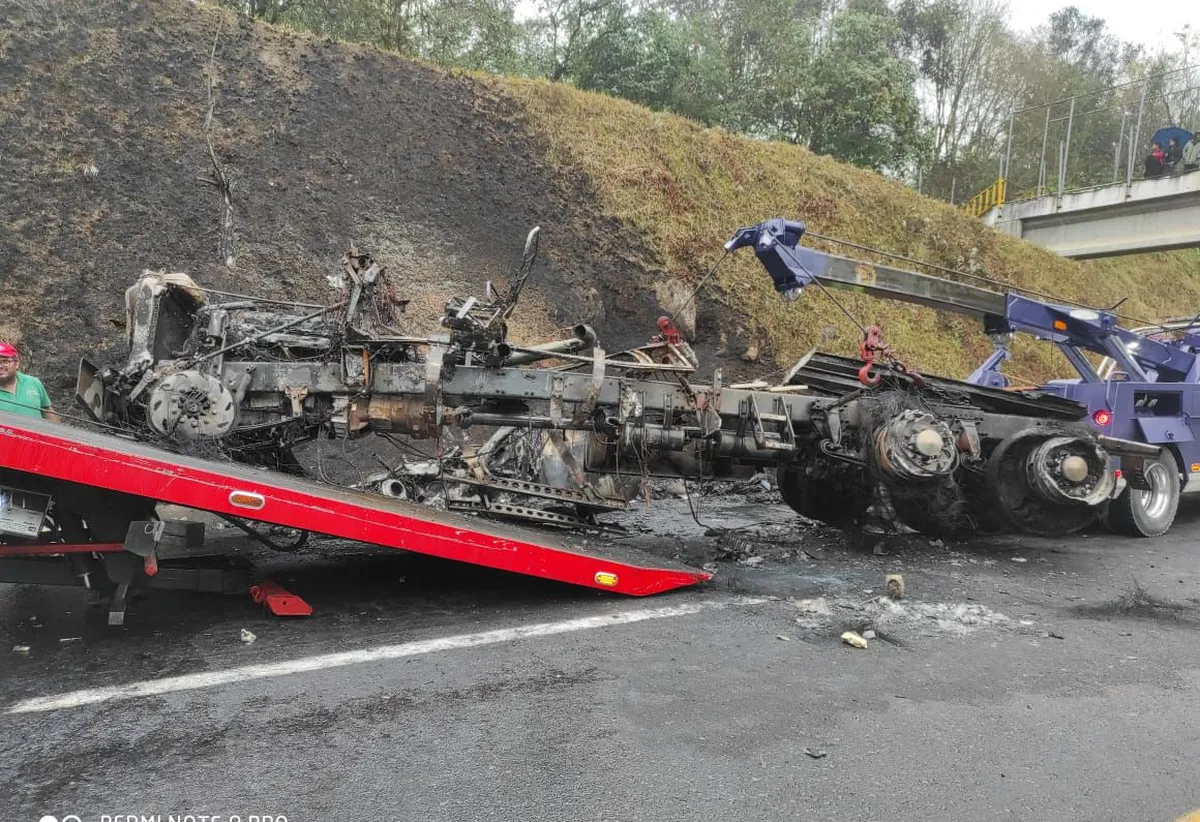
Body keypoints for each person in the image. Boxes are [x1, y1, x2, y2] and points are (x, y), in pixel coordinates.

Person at [0, 342, 58, 421]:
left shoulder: (33, 382)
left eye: (5, 361)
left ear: (16, 363)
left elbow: (48, 412)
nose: (0, 366)